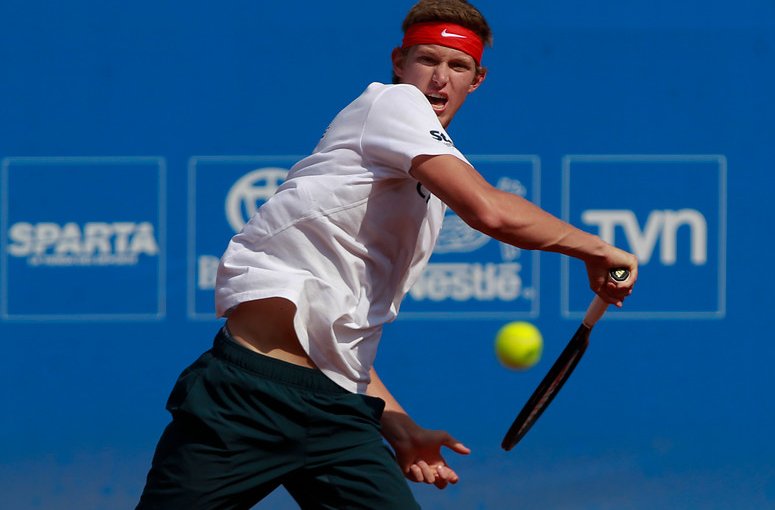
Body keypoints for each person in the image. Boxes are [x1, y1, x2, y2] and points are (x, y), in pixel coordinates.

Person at [137, 0, 638, 508]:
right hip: (245, 399)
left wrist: (398, 426)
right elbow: (490, 211)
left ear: (477, 79)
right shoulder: (392, 104)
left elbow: (339, 333)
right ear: (399, 62)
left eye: (457, 65)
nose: (439, 78)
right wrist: (597, 249)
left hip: (338, 413)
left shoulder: (425, 203)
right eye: (427, 59)